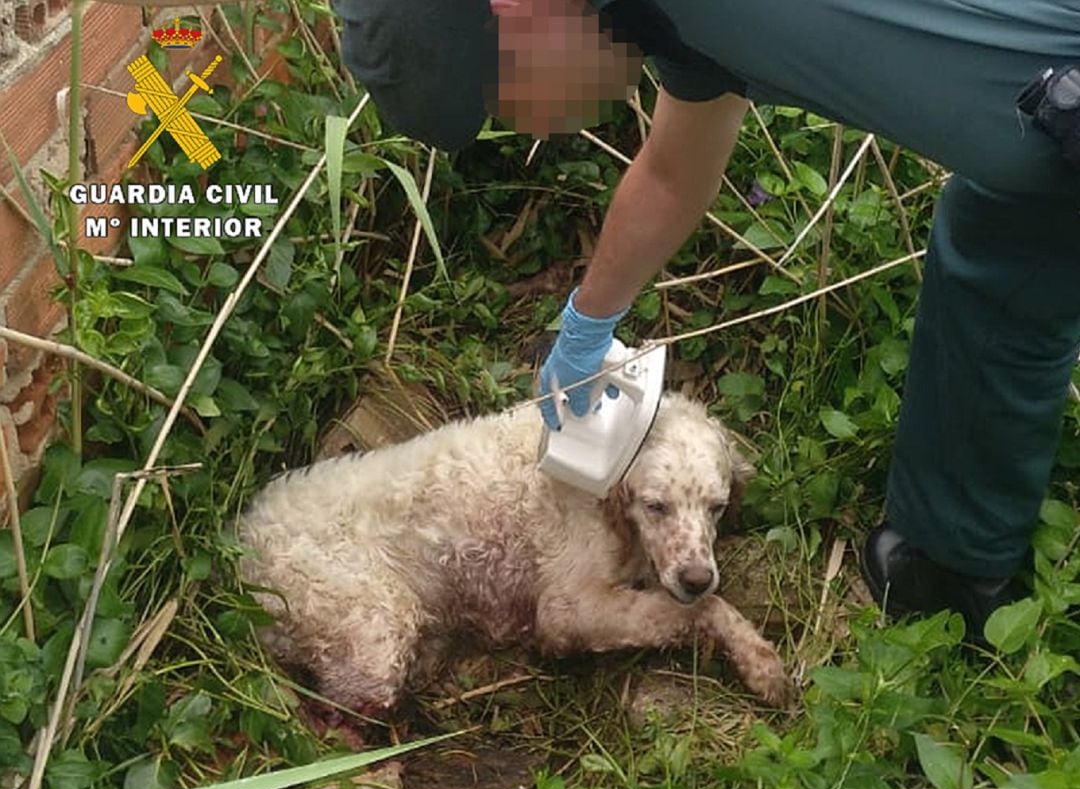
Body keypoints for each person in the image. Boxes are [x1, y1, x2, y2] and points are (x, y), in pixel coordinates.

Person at [336, 0, 1080, 640]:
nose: (534, 125)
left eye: (507, 100)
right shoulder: (659, 20)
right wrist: (586, 324)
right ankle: (954, 566)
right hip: (1032, 150)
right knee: (999, 244)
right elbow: (672, 169)